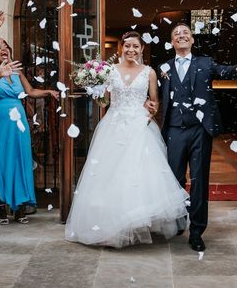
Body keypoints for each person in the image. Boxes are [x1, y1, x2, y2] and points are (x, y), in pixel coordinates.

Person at [65, 31, 189, 247]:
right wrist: (95, 91)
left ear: (142, 50)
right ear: (121, 48)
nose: (131, 50)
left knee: (137, 177)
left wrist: (150, 109)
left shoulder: (149, 72)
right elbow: (104, 104)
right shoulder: (109, 71)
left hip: (140, 127)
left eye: (136, 47)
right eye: (128, 46)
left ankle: (132, 224)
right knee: (109, 177)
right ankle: (110, 227)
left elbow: (154, 102)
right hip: (113, 126)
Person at [156, 23, 237, 252]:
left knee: (199, 181)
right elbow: (156, 95)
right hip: (174, 130)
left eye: (185, 33)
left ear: (192, 40)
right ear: (172, 42)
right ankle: (178, 221)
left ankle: (196, 231)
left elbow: (223, 70)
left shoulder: (205, 63)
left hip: (200, 130)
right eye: (177, 34)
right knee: (175, 179)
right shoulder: (164, 68)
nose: (181, 35)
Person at [0, 38, 58, 224]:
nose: (5, 50)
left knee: (20, 161)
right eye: (0, 48)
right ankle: (1, 208)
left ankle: (19, 207)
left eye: (7, 47)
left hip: (19, 124)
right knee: (0, 161)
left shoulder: (17, 71)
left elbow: (30, 91)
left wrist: (48, 92)